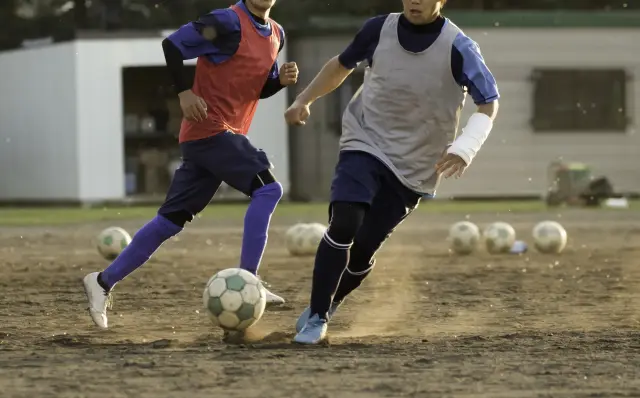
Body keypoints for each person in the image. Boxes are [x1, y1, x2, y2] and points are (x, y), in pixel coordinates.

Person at [285, 0, 500, 344]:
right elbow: (341, 65)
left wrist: (465, 147)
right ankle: (317, 316)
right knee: (345, 222)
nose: (414, 1)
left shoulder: (459, 47)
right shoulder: (377, 29)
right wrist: (303, 100)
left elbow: (488, 103)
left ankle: (331, 301)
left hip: (415, 165)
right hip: (365, 140)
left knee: (363, 250)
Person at [82, 0, 298, 330]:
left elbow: (257, 88)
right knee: (268, 190)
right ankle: (249, 280)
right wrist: (183, 92)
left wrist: (279, 81)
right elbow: (171, 45)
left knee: (170, 221)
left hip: (213, 138)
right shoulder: (226, 21)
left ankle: (102, 281)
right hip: (210, 131)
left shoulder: (277, 34)